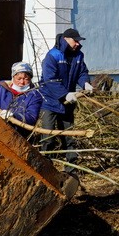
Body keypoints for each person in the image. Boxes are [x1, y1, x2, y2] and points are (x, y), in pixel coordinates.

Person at [38, 28, 92, 164]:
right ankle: (46, 166)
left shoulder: (78, 56)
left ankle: (71, 167)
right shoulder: (53, 55)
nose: (78, 44)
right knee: (48, 137)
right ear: (66, 39)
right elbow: (49, 79)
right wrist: (64, 94)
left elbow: (82, 72)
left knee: (69, 137)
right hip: (50, 102)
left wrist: (85, 83)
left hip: (68, 102)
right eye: (76, 41)